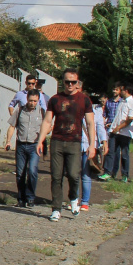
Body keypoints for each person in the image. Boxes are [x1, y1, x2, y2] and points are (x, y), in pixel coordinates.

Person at [36, 68, 96, 222]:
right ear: (63, 82)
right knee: (56, 176)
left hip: (75, 142)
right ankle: (56, 208)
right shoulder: (55, 99)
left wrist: (92, 145)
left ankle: (74, 198)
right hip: (57, 141)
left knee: (74, 175)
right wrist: (41, 140)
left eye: (73, 82)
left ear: (77, 83)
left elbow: (90, 123)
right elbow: (48, 121)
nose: (70, 84)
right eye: (67, 82)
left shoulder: (84, 99)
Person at [5, 90, 43, 207]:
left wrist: (42, 139)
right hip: (21, 145)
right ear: (27, 99)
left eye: (35, 101)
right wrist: (8, 141)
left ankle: (30, 197)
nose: (32, 103)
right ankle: (21, 198)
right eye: (30, 100)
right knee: (20, 173)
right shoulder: (20, 110)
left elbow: (48, 126)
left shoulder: (42, 112)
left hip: (34, 146)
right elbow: (12, 126)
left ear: (38, 100)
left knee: (32, 171)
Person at [98, 83, 133, 182]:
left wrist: (119, 127)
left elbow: (130, 119)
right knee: (111, 152)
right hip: (114, 131)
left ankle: (125, 174)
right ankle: (108, 172)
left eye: (122, 90)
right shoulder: (122, 102)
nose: (120, 91)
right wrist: (113, 126)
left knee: (124, 154)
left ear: (126, 91)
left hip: (125, 133)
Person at [77, 85, 108, 212]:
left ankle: (85, 202)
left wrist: (103, 141)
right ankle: (74, 199)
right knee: (73, 174)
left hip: (89, 145)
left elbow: (100, 127)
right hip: (74, 144)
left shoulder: (96, 112)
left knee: (85, 174)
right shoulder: (74, 110)